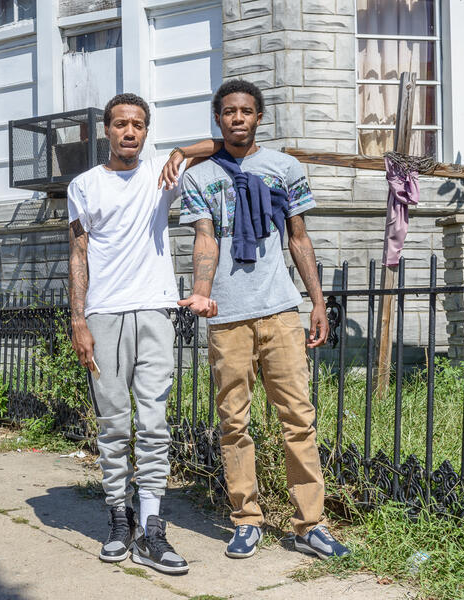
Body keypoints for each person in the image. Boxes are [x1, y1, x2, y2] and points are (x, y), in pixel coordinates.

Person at [177, 79, 351, 560]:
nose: (238, 118)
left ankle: (309, 524)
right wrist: (202, 292)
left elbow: (298, 237)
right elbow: (206, 238)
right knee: (234, 422)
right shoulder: (199, 176)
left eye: (247, 111)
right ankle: (246, 519)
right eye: (229, 111)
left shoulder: (284, 168)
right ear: (218, 119)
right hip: (228, 317)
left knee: (298, 418)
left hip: (279, 310)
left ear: (258, 117)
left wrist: (316, 302)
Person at [67, 92, 218, 575]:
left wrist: (180, 153)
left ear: (146, 132)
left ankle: (151, 525)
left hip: (155, 311)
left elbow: (220, 143)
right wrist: (78, 320)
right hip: (104, 315)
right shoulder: (85, 185)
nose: (129, 131)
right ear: (106, 131)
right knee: (113, 424)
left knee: (153, 423)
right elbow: (77, 254)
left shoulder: (162, 173)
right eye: (120, 124)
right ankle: (119, 516)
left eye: (137, 125)